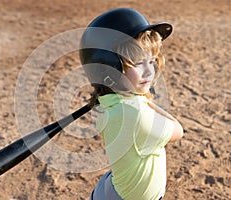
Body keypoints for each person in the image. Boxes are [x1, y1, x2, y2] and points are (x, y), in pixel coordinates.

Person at [79, 8, 184, 200]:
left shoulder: (108, 103)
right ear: (110, 70)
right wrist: (144, 99)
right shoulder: (136, 113)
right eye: (137, 63)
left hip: (115, 190)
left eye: (151, 61)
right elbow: (178, 130)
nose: (149, 71)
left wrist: (139, 97)